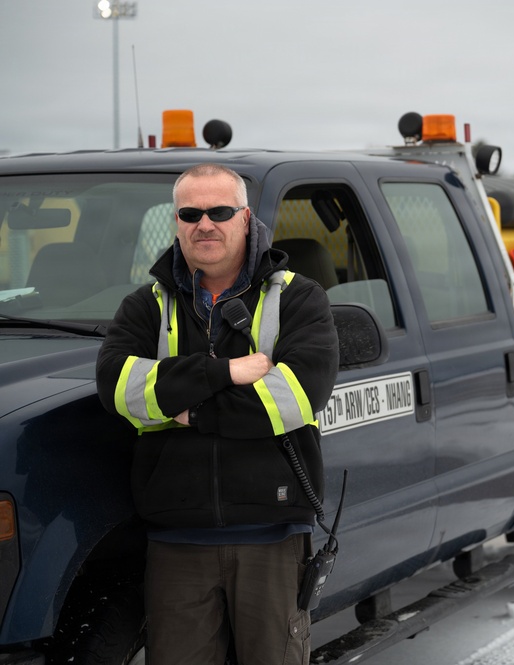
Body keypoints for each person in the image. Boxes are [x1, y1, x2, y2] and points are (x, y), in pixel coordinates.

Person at [96, 163, 338, 665]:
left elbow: (292, 398)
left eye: (220, 211)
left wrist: (184, 410)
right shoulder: (146, 306)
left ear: (246, 219)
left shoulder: (297, 299)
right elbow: (120, 390)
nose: (204, 223)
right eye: (190, 213)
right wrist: (225, 372)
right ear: (178, 223)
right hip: (176, 542)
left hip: (272, 537)